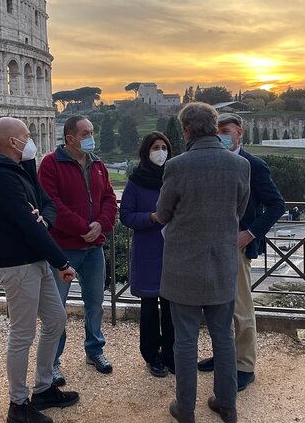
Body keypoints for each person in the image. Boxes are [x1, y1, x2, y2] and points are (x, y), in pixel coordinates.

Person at [0, 117, 79, 423]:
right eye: (26, 136)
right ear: (11, 142)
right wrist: (62, 262)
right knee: (22, 333)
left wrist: (45, 219)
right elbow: (26, 225)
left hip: (36, 260)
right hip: (17, 264)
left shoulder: (21, 169)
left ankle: (43, 389)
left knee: (56, 320)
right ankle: (18, 405)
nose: (31, 140)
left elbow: (47, 205)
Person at [157, 102, 250, 423]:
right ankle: (228, 405)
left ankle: (185, 409)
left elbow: (164, 212)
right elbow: (239, 210)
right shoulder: (240, 166)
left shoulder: (177, 166)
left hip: (183, 266)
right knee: (223, 338)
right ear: (213, 126)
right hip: (223, 262)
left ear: (185, 130)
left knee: (185, 341)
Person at [197, 113, 285, 392]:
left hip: (237, 246)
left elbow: (276, 205)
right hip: (210, 244)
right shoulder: (211, 163)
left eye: (226, 130)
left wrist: (249, 234)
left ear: (239, 133)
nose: (221, 135)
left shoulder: (254, 165)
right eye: (218, 131)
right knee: (215, 306)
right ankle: (225, 355)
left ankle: (244, 365)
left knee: (241, 309)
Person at [37, 115, 118, 386]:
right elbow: (52, 204)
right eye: (85, 133)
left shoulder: (97, 164)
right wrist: (84, 227)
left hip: (93, 248)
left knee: (95, 304)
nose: (90, 137)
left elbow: (109, 198)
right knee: (56, 308)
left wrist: (101, 225)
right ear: (70, 137)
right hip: (63, 250)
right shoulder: (50, 164)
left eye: (91, 132)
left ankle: (95, 350)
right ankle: (54, 361)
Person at [119, 132, 174, 378]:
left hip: (174, 251)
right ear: (146, 151)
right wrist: (150, 217)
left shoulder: (175, 178)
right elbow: (126, 216)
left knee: (173, 309)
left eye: (164, 147)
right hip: (148, 250)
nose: (160, 152)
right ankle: (152, 356)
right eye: (155, 147)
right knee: (150, 309)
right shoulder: (135, 182)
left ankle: (172, 354)